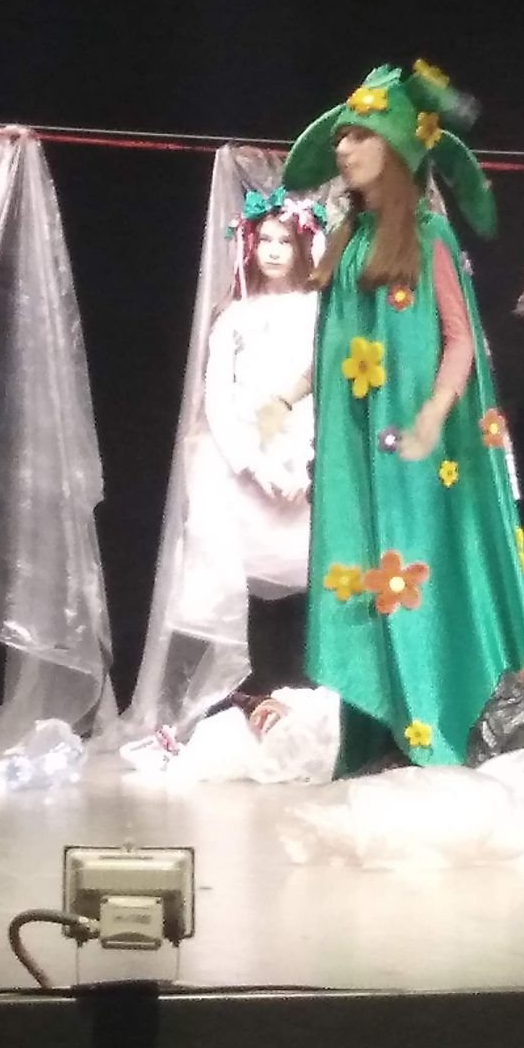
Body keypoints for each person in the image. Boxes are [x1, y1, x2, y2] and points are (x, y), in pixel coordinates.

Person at [279, 62, 524, 771]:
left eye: (358, 135)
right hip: (359, 442)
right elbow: (335, 344)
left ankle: (434, 714)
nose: (343, 149)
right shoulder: (347, 239)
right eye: (340, 137)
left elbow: (460, 337)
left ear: (397, 147)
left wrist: (437, 413)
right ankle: (385, 725)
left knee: (413, 565)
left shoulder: (430, 235)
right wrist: (286, 396)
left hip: (417, 442)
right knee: (368, 565)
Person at [191, 191, 324, 696]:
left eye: (283, 241)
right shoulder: (235, 316)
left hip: (306, 459)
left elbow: (327, 388)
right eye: (264, 240)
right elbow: (217, 400)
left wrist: (309, 466)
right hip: (246, 466)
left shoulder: (320, 310)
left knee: (314, 584)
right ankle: (254, 697)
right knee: (246, 594)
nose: (272, 250)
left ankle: (309, 698)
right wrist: (256, 465)